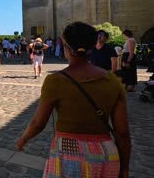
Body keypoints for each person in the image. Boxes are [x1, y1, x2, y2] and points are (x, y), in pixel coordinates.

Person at [16, 22, 131, 178]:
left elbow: (38, 123)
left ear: (65, 46)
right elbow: (122, 132)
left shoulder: (55, 81)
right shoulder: (112, 81)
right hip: (105, 154)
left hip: (67, 154)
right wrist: (124, 168)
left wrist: (24, 138)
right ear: (92, 47)